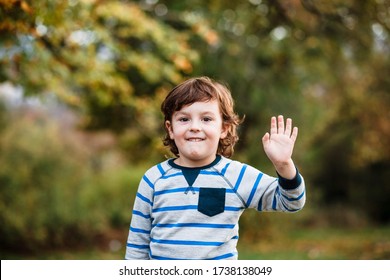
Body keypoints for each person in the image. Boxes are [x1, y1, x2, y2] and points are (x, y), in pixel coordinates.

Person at [125, 76, 306, 260]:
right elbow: (137, 247)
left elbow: (291, 202)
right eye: (184, 119)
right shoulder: (153, 179)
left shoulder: (237, 176)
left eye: (206, 119)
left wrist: (283, 164)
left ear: (224, 129)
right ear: (170, 129)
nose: (195, 127)